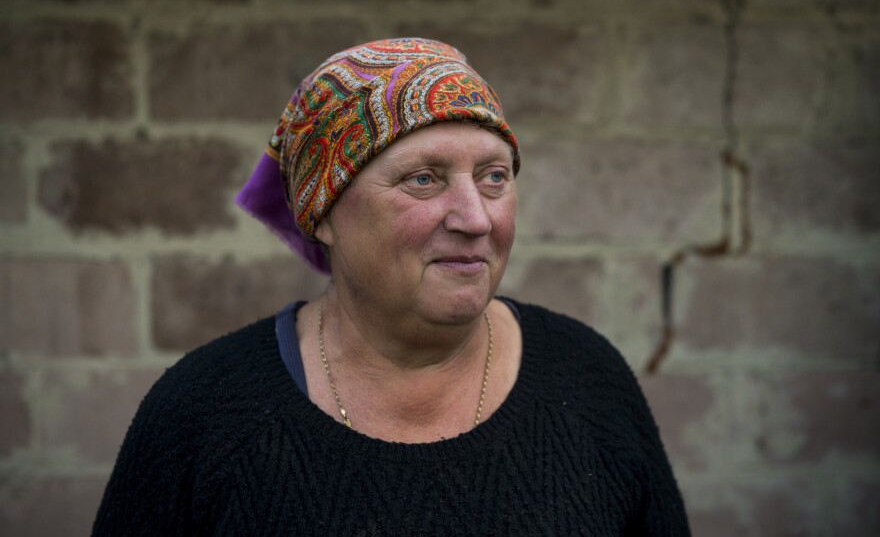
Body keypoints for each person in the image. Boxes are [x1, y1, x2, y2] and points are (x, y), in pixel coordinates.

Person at [93, 38, 690, 535]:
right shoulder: (201, 417)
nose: (475, 218)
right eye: (424, 179)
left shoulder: (590, 382)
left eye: (494, 177)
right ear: (322, 212)